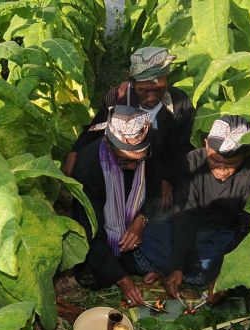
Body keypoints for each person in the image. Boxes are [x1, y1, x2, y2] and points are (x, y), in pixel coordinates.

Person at [63, 47, 195, 211]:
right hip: (123, 165)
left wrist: (167, 178)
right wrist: (75, 151)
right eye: (144, 90)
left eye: (159, 89)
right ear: (132, 82)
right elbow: (97, 127)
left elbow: (181, 147)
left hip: (158, 167)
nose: (152, 97)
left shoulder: (179, 103)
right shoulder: (117, 98)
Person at [161, 115, 250, 303]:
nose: (221, 169)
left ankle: (207, 269)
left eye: (231, 164)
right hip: (192, 226)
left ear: (245, 157)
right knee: (155, 235)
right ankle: (191, 266)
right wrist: (176, 266)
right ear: (206, 145)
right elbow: (184, 216)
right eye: (215, 161)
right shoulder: (192, 162)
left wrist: (222, 273)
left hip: (227, 234)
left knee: (249, 254)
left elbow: (247, 228)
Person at [72, 105, 165, 306]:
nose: (133, 167)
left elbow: (156, 187)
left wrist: (142, 219)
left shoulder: (149, 146)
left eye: (139, 160)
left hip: (136, 220)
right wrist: (123, 281)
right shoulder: (87, 167)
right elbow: (91, 229)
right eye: (124, 161)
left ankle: (135, 259)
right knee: (92, 276)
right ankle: (123, 266)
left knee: (171, 233)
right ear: (108, 143)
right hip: (102, 232)